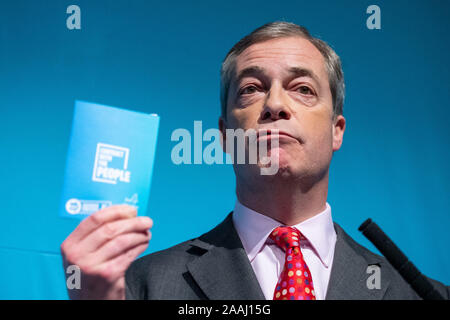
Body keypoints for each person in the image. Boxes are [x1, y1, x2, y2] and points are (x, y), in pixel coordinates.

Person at [60, 21, 449, 300]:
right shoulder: (140, 287)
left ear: (337, 130)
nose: (276, 104)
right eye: (250, 89)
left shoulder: (420, 293)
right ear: (226, 136)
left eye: (303, 89)